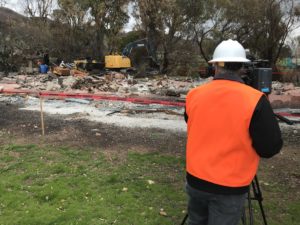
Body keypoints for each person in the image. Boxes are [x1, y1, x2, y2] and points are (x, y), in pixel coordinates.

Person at [184, 39, 283, 225]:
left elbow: (193, 122)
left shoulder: (194, 95)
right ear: (243, 68)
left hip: (195, 181)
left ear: (214, 67)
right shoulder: (255, 99)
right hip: (229, 187)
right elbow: (269, 147)